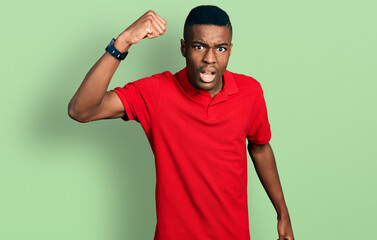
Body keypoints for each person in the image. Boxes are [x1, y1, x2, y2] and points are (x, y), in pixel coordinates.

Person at [68, 5, 294, 240]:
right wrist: (123, 42)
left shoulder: (250, 92)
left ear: (229, 50)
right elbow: (81, 110)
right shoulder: (156, 92)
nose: (210, 58)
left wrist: (282, 212)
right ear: (184, 48)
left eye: (220, 48)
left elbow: (260, 148)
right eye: (199, 46)